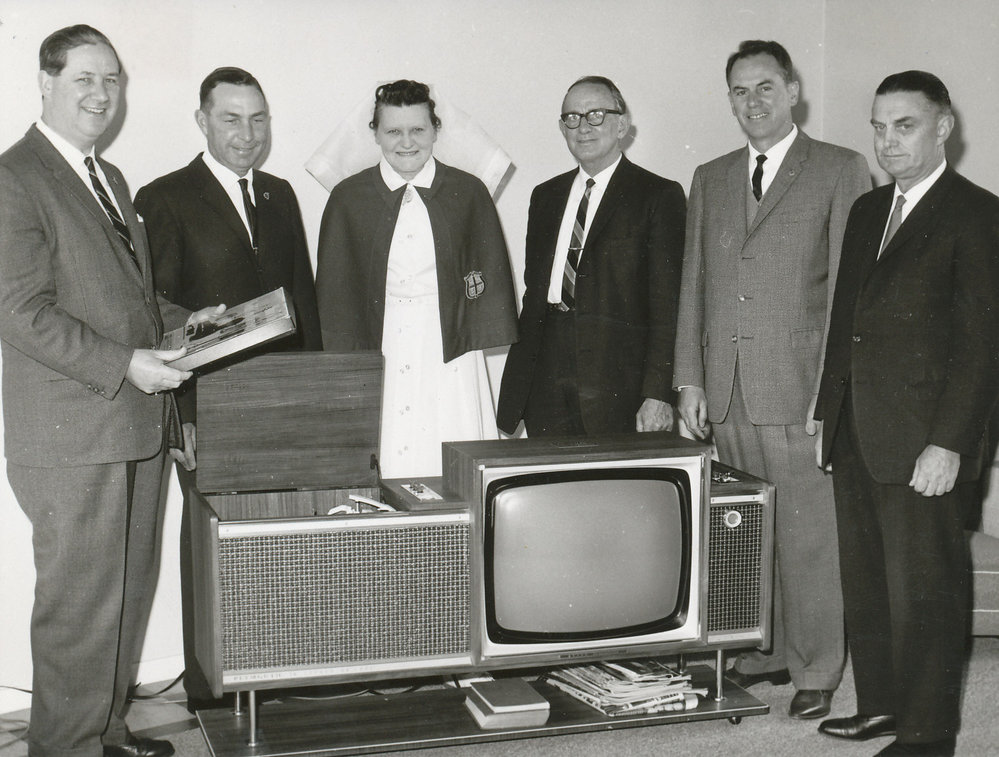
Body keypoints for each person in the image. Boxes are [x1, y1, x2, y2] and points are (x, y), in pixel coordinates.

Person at [0, 25, 217, 757]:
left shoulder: (110, 177)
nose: (101, 94)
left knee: (124, 594)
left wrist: (195, 321)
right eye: (84, 79)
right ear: (46, 81)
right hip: (72, 437)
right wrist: (127, 363)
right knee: (80, 609)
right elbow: (19, 311)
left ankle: (106, 733)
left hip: (132, 427)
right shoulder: (14, 177)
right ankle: (65, 748)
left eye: (112, 80)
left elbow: (132, 303)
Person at [673, 40, 870, 720]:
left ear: (792, 91)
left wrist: (832, 393)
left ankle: (818, 664)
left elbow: (853, 292)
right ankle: (763, 652)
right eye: (738, 91)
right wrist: (687, 379)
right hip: (724, 390)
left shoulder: (839, 169)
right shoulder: (710, 176)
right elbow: (692, 285)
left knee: (810, 537)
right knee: (745, 532)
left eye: (763, 87)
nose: (750, 102)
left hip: (798, 388)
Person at [815, 71, 999, 756]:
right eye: (877, 126)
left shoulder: (977, 213)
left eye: (904, 125)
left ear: (942, 126)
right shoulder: (867, 210)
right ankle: (880, 706)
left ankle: (926, 734)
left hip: (926, 439)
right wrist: (825, 412)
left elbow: (982, 345)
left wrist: (948, 442)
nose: (887, 141)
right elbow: (847, 324)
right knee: (865, 579)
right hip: (857, 426)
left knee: (925, 588)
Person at [133, 67, 322, 710]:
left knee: (281, 544)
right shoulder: (163, 198)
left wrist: (313, 397)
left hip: (281, 403)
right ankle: (210, 689)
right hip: (206, 408)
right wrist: (176, 413)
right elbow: (153, 312)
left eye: (258, 119)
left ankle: (273, 680)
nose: (247, 134)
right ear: (203, 121)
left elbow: (305, 304)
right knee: (212, 548)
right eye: (231, 119)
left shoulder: (280, 195)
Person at [315, 79, 518, 478]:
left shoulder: (468, 191)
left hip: (450, 348)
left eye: (418, 130)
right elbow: (337, 294)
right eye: (393, 130)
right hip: (381, 341)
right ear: (375, 133)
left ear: (436, 130)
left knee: (450, 453)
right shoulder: (347, 197)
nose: (406, 142)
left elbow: (484, 280)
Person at [496, 76, 685, 437]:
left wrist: (658, 394)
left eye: (596, 115)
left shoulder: (658, 195)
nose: (583, 127)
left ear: (622, 125)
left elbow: (668, 307)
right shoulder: (545, 196)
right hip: (546, 377)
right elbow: (533, 294)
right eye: (572, 117)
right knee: (551, 488)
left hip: (618, 384)